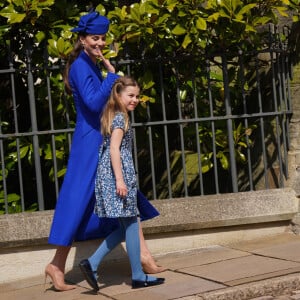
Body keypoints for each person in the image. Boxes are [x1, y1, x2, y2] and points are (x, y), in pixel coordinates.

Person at [45, 11, 165, 292]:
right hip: (89, 142)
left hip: (98, 137)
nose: (99, 43)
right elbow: (92, 103)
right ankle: (57, 265)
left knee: (127, 198)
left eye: (102, 39)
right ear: (83, 39)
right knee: (78, 204)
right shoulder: (80, 66)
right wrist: (112, 77)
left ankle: (143, 257)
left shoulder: (89, 62)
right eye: (94, 38)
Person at [79, 76, 165, 292]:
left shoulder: (117, 115)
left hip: (115, 175)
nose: (135, 99)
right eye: (130, 95)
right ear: (118, 95)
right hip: (117, 176)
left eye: (137, 96)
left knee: (127, 226)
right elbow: (114, 150)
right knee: (132, 225)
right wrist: (120, 180)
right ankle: (137, 276)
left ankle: (93, 263)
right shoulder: (120, 119)